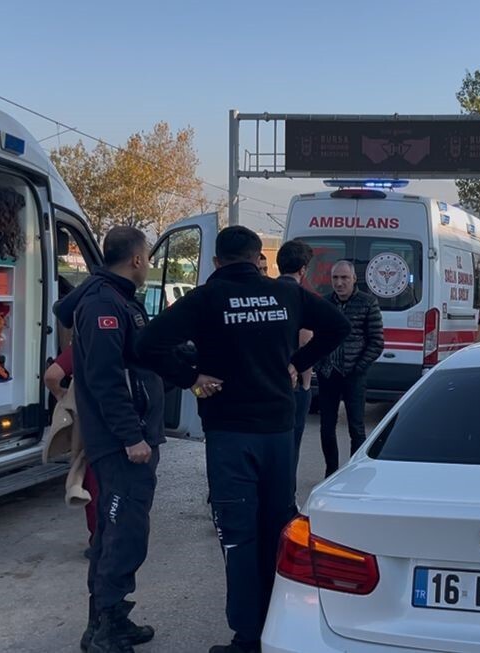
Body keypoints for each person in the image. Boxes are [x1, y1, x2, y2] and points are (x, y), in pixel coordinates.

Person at [135, 226, 349, 653]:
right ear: (257, 259)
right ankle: (279, 626)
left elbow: (146, 344)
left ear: (217, 262)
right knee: (278, 529)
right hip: (276, 432)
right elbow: (337, 326)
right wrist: (296, 362)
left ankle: (247, 637)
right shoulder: (285, 295)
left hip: (230, 434)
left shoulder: (205, 299)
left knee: (238, 535)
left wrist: (191, 377)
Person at [53, 226, 163, 653]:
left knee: (117, 532)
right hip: (122, 445)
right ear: (136, 259)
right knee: (121, 533)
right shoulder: (103, 303)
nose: (149, 264)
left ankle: (108, 618)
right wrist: (132, 436)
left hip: (128, 439)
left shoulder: (116, 298)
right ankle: (105, 631)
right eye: (148, 257)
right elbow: (104, 379)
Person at [315, 260, 385, 477]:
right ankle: (331, 471)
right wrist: (319, 364)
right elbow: (316, 339)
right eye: (335, 278)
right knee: (326, 427)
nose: (339, 283)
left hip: (355, 375)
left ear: (354, 279)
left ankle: (354, 472)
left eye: (344, 278)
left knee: (356, 428)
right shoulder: (324, 303)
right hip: (328, 374)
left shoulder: (367, 303)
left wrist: (359, 367)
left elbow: (376, 342)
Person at [44, 347, 102, 547]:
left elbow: (52, 375)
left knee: (90, 475)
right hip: (121, 417)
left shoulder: (82, 343)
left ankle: (97, 539)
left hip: (88, 418)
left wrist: (60, 394)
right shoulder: (123, 336)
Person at [275, 240, 316, 471]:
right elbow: (305, 339)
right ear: (302, 270)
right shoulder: (301, 296)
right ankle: (286, 498)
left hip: (268, 379)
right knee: (291, 444)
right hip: (293, 382)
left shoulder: (267, 292)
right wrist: (307, 384)